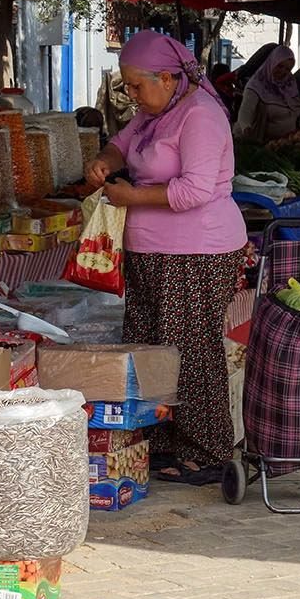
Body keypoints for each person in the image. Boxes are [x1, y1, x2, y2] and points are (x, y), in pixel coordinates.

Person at [84, 31, 248, 487]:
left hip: (197, 249)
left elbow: (195, 189)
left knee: (190, 349)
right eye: (128, 86)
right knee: (151, 347)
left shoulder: (200, 116)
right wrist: (104, 158)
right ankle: (162, 442)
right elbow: (121, 142)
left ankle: (208, 451)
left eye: (137, 86)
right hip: (150, 250)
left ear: (168, 77)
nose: (131, 95)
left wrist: (132, 195)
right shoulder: (153, 113)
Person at [232, 44, 300, 142]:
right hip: (259, 143)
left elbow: (297, 108)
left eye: (287, 69)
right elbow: (246, 112)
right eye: (280, 66)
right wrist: (246, 129)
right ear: (272, 63)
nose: (283, 71)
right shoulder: (257, 85)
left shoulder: (290, 84)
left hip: (285, 143)